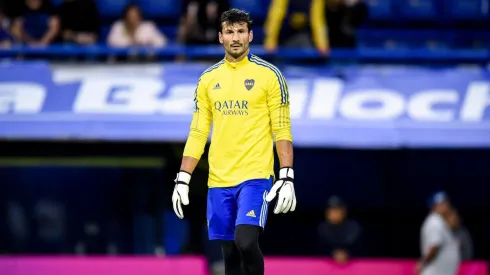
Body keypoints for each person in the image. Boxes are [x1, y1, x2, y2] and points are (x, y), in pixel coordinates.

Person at [171, 8, 296, 275]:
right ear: (220, 37)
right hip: (219, 179)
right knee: (229, 252)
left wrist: (287, 175)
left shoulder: (270, 76)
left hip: (255, 176)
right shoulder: (208, 79)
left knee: (246, 242)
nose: (235, 37)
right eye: (230, 32)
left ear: (250, 35)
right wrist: (183, 178)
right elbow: (197, 133)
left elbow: (282, 130)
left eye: (241, 31)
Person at [417, 191, 461, 275]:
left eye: (446, 202)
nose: (446, 206)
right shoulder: (435, 221)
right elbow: (434, 246)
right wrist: (423, 263)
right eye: (441, 204)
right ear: (434, 206)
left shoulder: (441, 221)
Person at [317, 196, 362, 264]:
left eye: (336, 210)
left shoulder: (354, 228)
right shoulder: (322, 229)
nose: (333, 214)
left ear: (344, 211)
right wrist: (333, 253)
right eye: (330, 211)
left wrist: (347, 254)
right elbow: (318, 249)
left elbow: (360, 248)